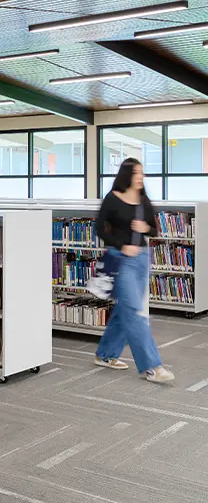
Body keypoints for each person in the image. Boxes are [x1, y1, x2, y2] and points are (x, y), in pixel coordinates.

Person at [94, 157, 174, 383]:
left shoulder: (143, 200)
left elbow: (154, 230)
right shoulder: (112, 198)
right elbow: (100, 229)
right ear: (127, 175)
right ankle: (152, 367)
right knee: (135, 314)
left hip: (141, 260)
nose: (142, 177)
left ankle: (105, 354)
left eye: (142, 173)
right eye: (137, 173)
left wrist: (145, 227)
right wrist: (122, 245)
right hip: (121, 260)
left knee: (126, 311)